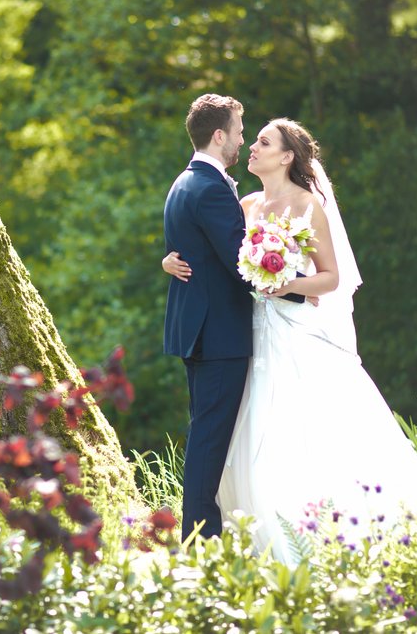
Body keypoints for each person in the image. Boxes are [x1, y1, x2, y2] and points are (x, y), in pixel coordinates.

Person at [163, 118, 417, 563]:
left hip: (294, 330)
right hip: (250, 334)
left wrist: (287, 284)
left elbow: (331, 278)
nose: (252, 147)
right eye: (250, 138)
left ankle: (324, 540)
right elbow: (222, 255)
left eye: (263, 142)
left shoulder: (307, 206)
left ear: (287, 157)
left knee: (306, 432)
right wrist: (170, 261)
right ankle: (252, 545)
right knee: (250, 434)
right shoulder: (247, 204)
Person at [163, 94, 271, 541]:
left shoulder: (186, 182)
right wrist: (297, 288)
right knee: (208, 442)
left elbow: (196, 251)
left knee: (207, 438)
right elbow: (241, 262)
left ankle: (202, 538)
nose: (244, 141)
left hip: (202, 332)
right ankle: (200, 543)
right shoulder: (208, 187)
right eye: (240, 132)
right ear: (220, 134)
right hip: (218, 336)